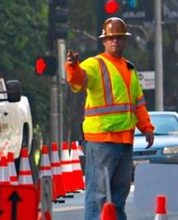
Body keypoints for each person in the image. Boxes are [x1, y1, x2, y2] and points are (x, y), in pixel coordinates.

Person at [65, 17, 154, 220]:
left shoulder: (129, 69)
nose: (115, 41)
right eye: (111, 38)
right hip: (101, 142)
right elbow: (79, 80)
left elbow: (138, 103)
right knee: (98, 197)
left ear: (125, 41)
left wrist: (146, 127)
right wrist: (72, 67)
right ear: (104, 41)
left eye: (119, 38)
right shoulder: (95, 65)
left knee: (118, 198)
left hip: (124, 143)